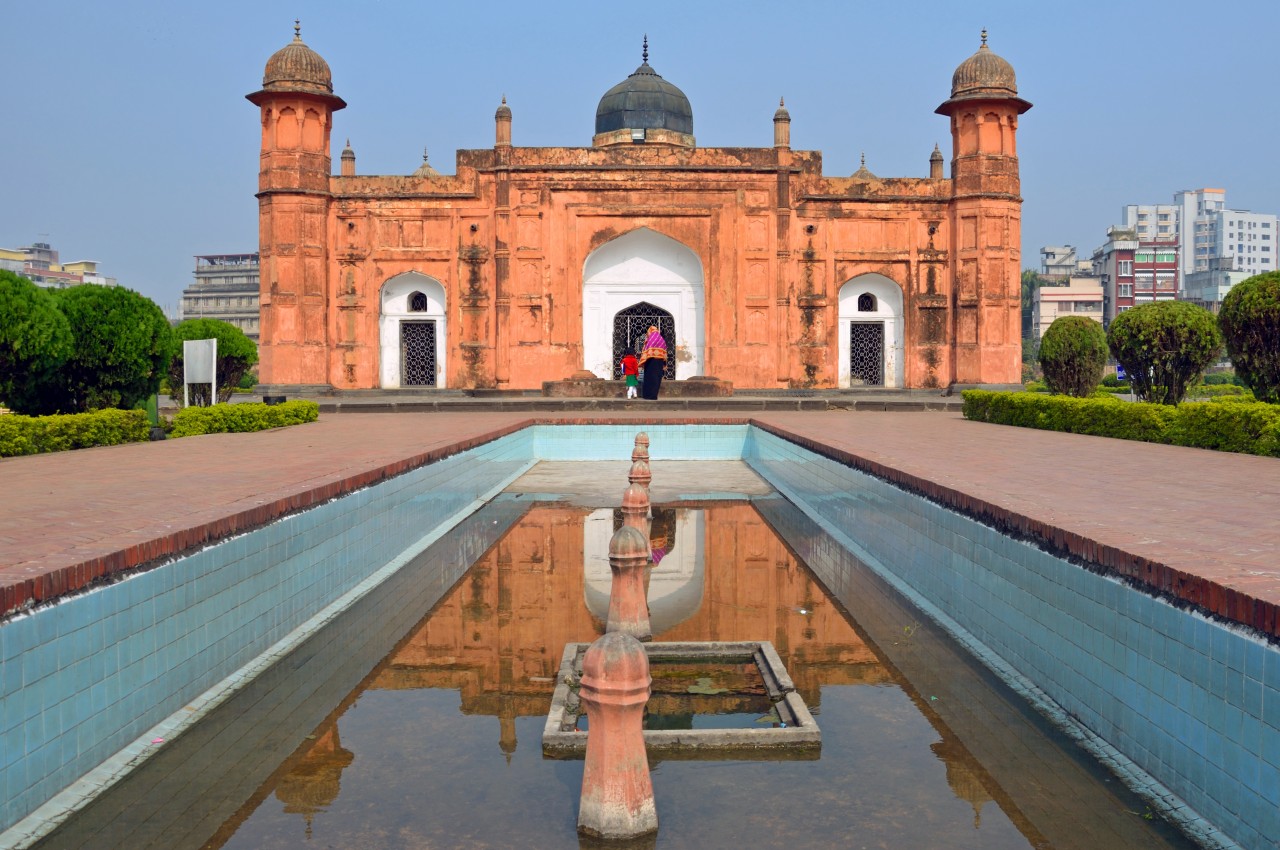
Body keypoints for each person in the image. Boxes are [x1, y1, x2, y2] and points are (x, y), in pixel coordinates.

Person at [637, 325, 667, 400]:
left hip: (651, 362)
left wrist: (642, 361)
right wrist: (664, 364)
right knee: (656, 379)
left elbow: (646, 351)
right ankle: (654, 396)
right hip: (659, 363)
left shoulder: (651, 339)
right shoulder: (661, 339)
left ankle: (647, 395)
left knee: (649, 378)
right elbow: (665, 354)